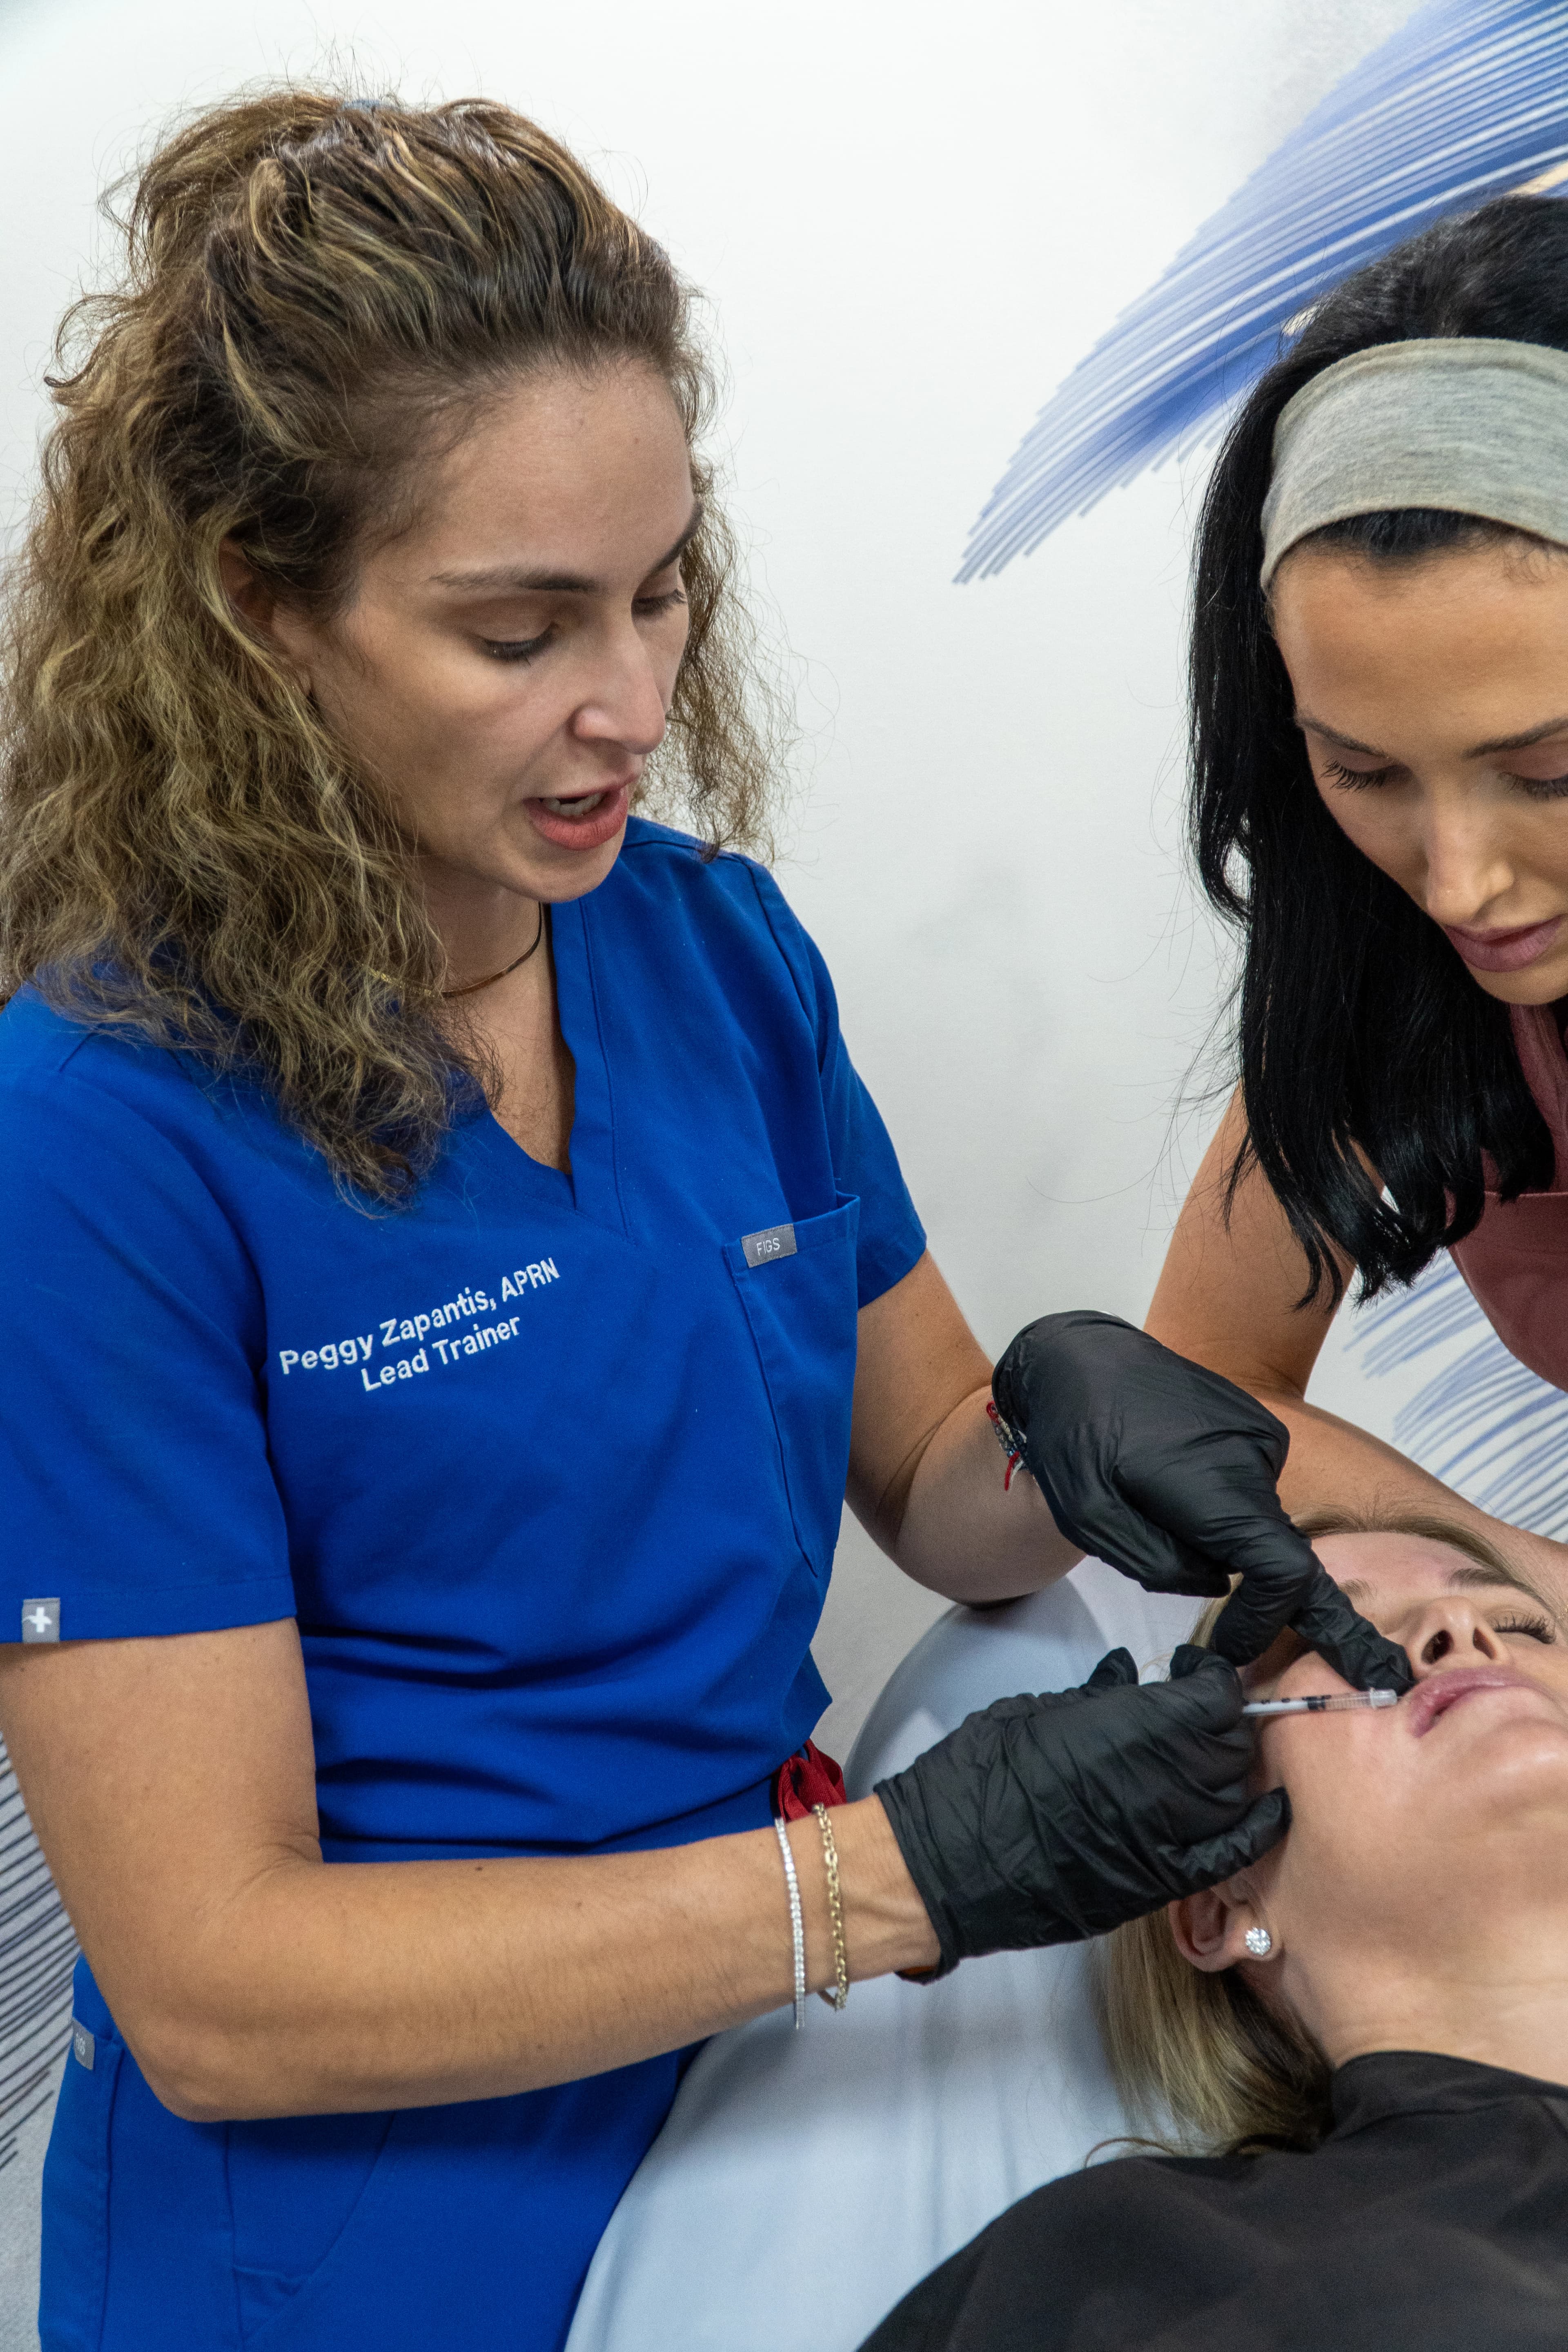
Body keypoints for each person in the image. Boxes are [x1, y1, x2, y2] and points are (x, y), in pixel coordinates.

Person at [0, 87, 1401, 2352]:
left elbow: (940, 1494)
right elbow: (220, 1993)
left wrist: (1068, 1433)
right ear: (260, 612)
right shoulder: (97, 1140)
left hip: (762, 2104)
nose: (630, 702)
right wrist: (899, 1881)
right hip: (374, 2228)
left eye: (663, 590)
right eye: (518, 627)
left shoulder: (710, 951)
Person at [1133, 192, 1568, 1581]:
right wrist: (1520, 1576)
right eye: (1363, 772)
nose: (1461, 883)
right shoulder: (1407, 966)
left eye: (1552, 770)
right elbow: (1196, 1395)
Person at [863, 1515, 1568, 2348]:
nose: (1460, 1629)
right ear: (1222, 1904)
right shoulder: (1116, 2266)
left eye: (1526, 1624)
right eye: (1329, 1640)